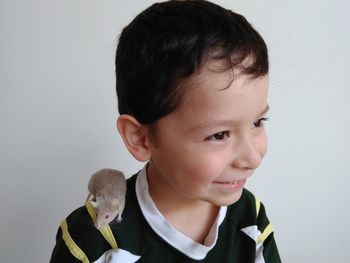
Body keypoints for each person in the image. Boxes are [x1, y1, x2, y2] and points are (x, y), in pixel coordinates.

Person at [50, 0, 281, 262]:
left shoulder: (250, 217)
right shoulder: (93, 239)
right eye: (219, 135)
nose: (252, 158)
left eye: (257, 122)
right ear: (140, 138)